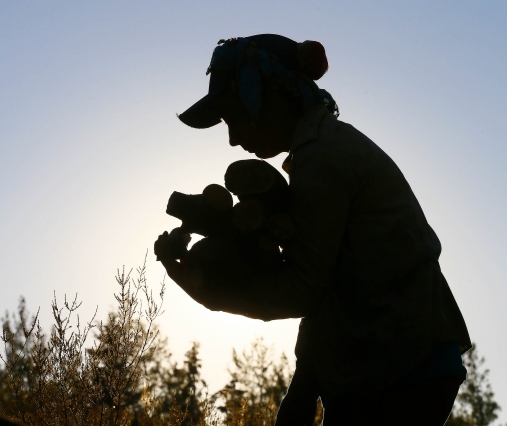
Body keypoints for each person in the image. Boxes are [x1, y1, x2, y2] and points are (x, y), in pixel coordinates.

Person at [154, 34, 471, 425]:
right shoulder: (322, 151)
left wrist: (208, 290)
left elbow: (304, 289)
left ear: (268, 93)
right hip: (398, 365)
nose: (233, 138)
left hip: (402, 371)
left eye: (233, 116)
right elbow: (333, 284)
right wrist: (303, 387)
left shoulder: (323, 159)